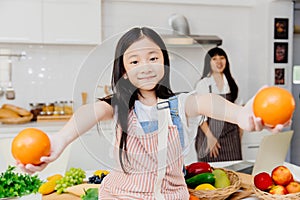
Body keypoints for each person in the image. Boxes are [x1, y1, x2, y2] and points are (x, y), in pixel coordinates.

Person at [18, 27, 285, 199]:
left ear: (164, 64)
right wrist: (58, 142)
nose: (144, 66)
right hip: (121, 197)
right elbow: (88, 113)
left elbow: (209, 102)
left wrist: (242, 117)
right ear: (124, 70)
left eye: (153, 58)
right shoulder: (117, 106)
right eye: (134, 61)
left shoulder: (180, 104)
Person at [195, 47, 243, 162]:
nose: (219, 62)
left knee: (233, 172)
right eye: (214, 59)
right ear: (209, 63)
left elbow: (239, 109)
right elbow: (199, 115)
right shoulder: (203, 84)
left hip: (231, 136)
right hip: (209, 135)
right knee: (209, 172)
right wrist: (210, 138)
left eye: (222, 58)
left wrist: (240, 133)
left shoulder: (231, 84)